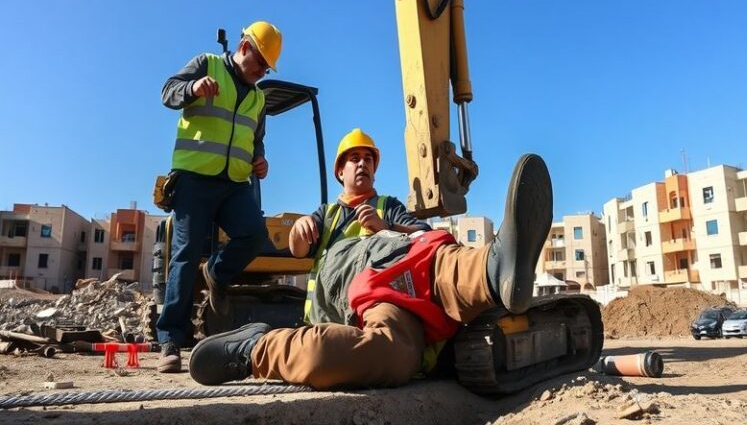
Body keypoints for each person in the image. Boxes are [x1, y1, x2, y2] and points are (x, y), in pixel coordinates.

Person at [188, 134, 554, 390]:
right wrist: (300, 231)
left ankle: (496, 269)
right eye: (353, 158)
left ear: (375, 171)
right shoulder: (326, 213)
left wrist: (384, 225)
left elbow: (420, 236)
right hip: (352, 301)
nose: (361, 163)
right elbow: (300, 249)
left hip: (400, 272)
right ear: (340, 172)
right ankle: (256, 348)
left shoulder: (388, 205)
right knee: (368, 359)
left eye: (367, 159)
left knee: (436, 260)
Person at [156, 21, 282, 373]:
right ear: (244, 48)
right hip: (195, 178)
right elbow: (168, 91)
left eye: (266, 68)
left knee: (255, 236)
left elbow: (256, 140)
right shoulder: (206, 64)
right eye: (260, 64)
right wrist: (193, 88)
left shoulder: (258, 98)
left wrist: (260, 160)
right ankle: (169, 339)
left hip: (233, 184)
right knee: (185, 254)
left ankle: (217, 272)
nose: (261, 72)